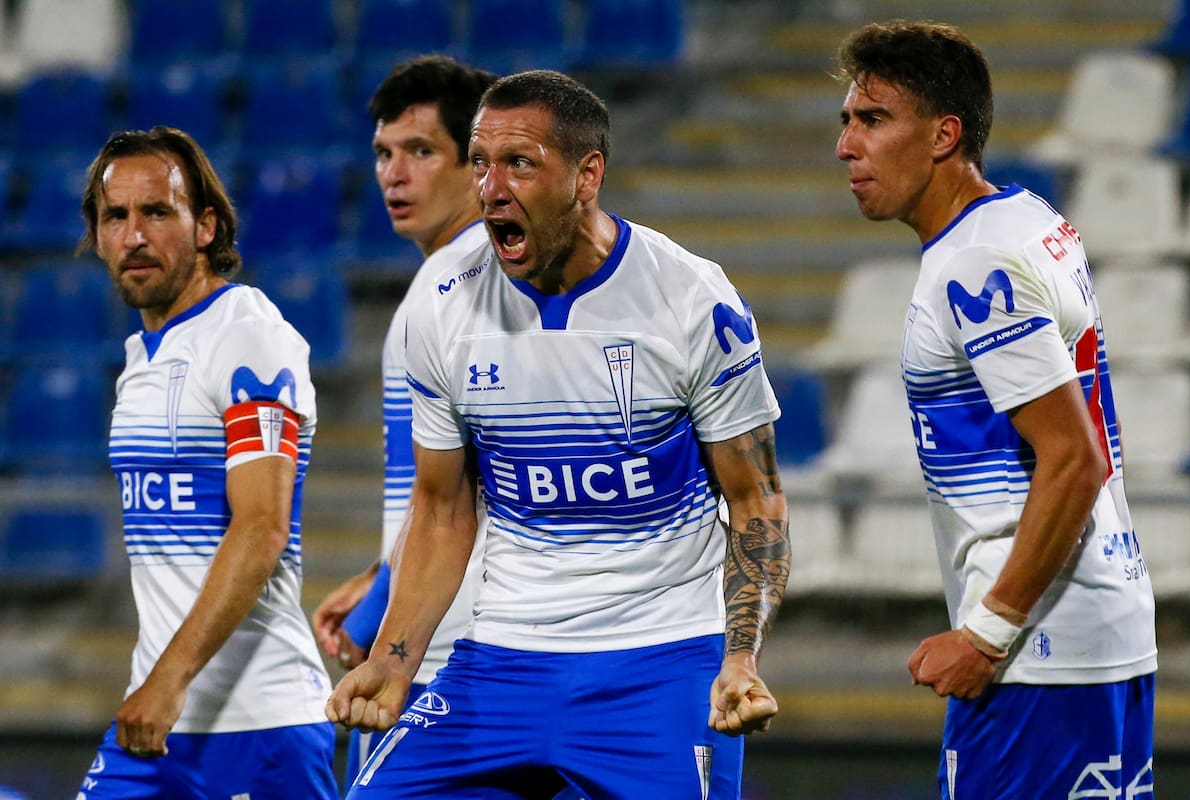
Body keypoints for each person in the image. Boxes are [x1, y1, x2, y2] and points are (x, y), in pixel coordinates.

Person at [325, 69, 791, 799]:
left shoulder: (692, 302)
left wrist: (739, 657)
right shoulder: (442, 311)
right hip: (500, 659)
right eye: (480, 163)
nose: (491, 188)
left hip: (660, 663)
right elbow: (444, 509)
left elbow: (756, 501)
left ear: (587, 175)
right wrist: (394, 658)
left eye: (520, 163)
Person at [835, 21, 1157, 799]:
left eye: (872, 120)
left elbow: (1071, 458)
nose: (847, 146)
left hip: (1041, 652)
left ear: (944, 135)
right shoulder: (1029, 218)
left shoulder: (975, 265)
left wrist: (986, 633)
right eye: (845, 121)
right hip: (1099, 626)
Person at [74, 126, 337, 799]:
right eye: (116, 216)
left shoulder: (248, 336)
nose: (134, 235)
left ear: (205, 226)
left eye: (157, 212)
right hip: (158, 723)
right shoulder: (140, 360)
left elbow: (260, 527)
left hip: (258, 723)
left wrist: (167, 680)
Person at [306, 53, 504, 791]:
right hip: (446, 628)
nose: (395, 173)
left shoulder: (457, 288)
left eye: (422, 152)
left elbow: (473, 494)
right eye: (384, 154)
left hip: (446, 647)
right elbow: (447, 487)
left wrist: (390, 621)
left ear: (475, 164)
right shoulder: (451, 280)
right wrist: (384, 573)